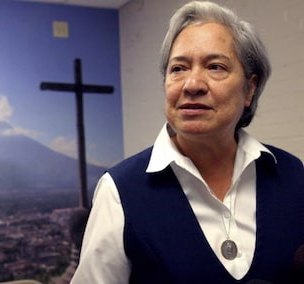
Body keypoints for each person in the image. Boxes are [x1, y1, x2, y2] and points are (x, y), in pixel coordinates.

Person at [70, 1, 304, 283]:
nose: (192, 84)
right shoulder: (120, 191)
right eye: (178, 68)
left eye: (215, 66)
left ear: (250, 89)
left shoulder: (291, 174)